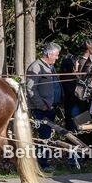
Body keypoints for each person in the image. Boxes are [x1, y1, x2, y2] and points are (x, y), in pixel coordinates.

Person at [27, 42, 63, 170]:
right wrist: (41, 105)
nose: (57, 58)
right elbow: (31, 89)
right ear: (49, 54)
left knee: (47, 136)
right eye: (56, 55)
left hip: (52, 108)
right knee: (43, 136)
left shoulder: (50, 67)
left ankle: (44, 161)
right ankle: (42, 163)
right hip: (41, 109)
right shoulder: (35, 67)